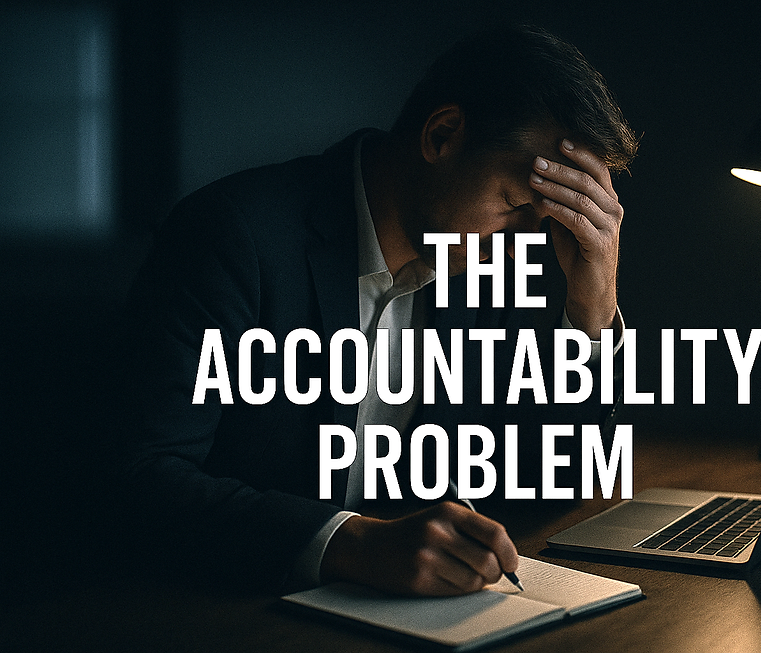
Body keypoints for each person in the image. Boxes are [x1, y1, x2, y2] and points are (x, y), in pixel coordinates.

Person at [115, 23, 638, 597]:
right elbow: (140, 480)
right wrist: (350, 544)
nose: (528, 243)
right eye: (517, 204)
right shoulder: (232, 236)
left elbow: (547, 481)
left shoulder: (483, 262)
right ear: (442, 135)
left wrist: (593, 308)